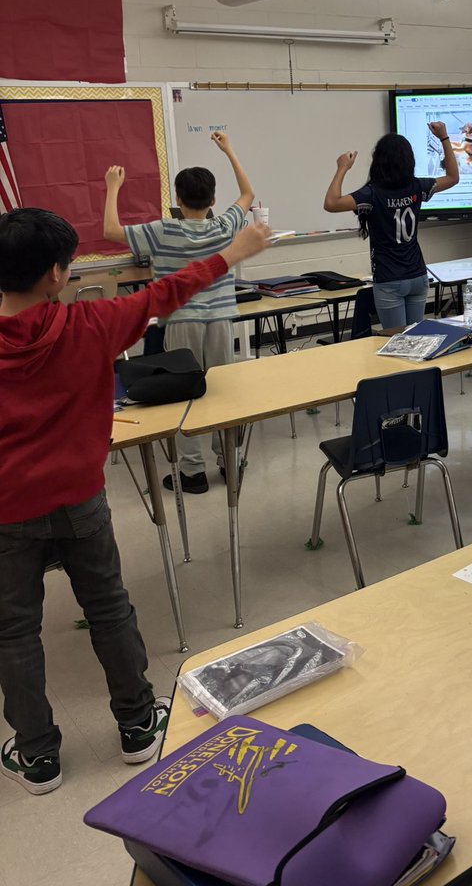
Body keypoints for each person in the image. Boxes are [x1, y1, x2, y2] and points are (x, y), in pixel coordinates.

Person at [0, 206, 271, 795]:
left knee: (14, 632)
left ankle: (38, 756)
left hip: (7, 510)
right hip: (81, 500)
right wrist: (235, 252)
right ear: (53, 274)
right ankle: (138, 725)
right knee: (109, 609)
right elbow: (166, 294)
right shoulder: (90, 325)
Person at [103, 131, 254, 494]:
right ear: (213, 199)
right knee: (222, 393)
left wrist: (112, 187)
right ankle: (228, 462)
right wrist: (230, 150)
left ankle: (193, 472)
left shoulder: (162, 230)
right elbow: (248, 194)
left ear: (178, 198)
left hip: (181, 322)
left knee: (183, 392)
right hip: (219, 321)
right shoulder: (224, 225)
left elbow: (110, 230)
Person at [324, 124, 459, 333]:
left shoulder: (371, 194)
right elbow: (453, 177)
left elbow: (331, 203)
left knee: (396, 342)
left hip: (389, 279)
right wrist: (444, 138)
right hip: (417, 276)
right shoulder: (417, 187)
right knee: (416, 338)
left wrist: (342, 167)